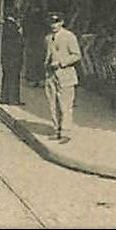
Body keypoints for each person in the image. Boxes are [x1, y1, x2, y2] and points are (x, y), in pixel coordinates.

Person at [42, 12, 82, 142]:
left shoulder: (69, 36)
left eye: (57, 22)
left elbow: (76, 55)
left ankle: (66, 132)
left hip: (65, 75)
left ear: (62, 22)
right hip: (51, 75)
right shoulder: (48, 38)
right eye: (51, 22)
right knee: (52, 104)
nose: (54, 25)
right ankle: (56, 129)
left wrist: (61, 62)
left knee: (65, 105)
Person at [0, 15, 24, 105]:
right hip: (12, 56)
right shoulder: (10, 25)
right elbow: (16, 40)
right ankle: (12, 99)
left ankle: (6, 98)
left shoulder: (7, 25)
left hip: (10, 56)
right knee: (13, 77)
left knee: (8, 77)